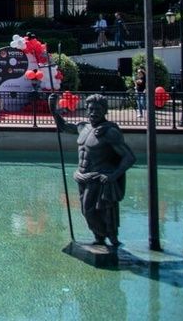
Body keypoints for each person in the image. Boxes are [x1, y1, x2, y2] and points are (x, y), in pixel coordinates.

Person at [49, 93, 136, 247]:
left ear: (105, 111)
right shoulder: (84, 127)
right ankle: (100, 239)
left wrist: (113, 176)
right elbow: (64, 127)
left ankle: (110, 237)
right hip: (82, 177)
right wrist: (53, 109)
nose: (93, 113)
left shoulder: (109, 132)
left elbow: (129, 157)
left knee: (90, 210)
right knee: (87, 211)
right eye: (91, 109)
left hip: (98, 177)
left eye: (98, 110)